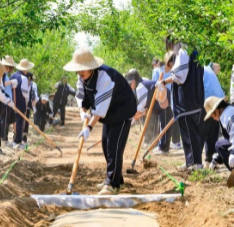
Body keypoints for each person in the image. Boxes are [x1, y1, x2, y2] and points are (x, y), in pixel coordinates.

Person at [66, 48, 136, 195]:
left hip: (122, 110)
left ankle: (111, 184)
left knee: (113, 146)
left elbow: (100, 109)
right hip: (110, 114)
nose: (80, 73)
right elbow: (82, 97)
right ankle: (118, 180)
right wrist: (82, 113)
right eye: (78, 70)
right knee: (106, 144)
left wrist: (89, 128)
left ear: (91, 67)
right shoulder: (82, 78)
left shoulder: (105, 77)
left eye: (83, 70)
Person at [160, 40, 205, 170]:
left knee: (189, 133)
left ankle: (194, 163)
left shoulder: (183, 52)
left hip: (186, 100)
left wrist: (163, 82)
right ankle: (191, 161)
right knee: (191, 132)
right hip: (196, 98)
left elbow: (179, 76)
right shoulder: (195, 52)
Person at [125, 69, 173, 155]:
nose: (129, 86)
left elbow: (140, 108)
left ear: (133, 81)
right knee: (160, 124)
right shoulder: (141, 84)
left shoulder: (140, 87)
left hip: (165, 100)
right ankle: (158, 145)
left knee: (164, 124)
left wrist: (130, 122)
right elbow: (146, 102)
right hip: (159, 104)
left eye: (129, 84)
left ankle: (164, 148)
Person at [200, 65, 225, 169]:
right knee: (212, 131)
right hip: (219, 98)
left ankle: (195, 161)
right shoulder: (207, 66)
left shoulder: (196, 68)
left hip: (209, 99)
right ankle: (210, 160)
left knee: (202, 130)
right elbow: (218, 66)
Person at [11, 59, 34, 149]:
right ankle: (17, 142)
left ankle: (14, 140)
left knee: (15, 121)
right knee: (20, 123)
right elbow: (25, 94)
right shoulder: (24, 78)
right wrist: (27, 103)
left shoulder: (13, 75)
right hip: (20, 103)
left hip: (12, 102)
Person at [0, 56, 17, 146]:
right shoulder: (1, 73)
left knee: (7, 120)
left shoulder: (6, 75)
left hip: (9, 101)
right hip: (4, 101)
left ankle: (5, 138)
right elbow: (1, 84)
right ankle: (4, 139)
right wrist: (11, 82)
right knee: (4, 120)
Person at [22, 72, 38, 146]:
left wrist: (33, 104)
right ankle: (17, 138)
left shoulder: (32, 85)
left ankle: (24, 140)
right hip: (21, 106)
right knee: (20, 122)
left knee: (26, 123)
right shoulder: (22, 83)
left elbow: (33, 95)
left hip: (27, 107)